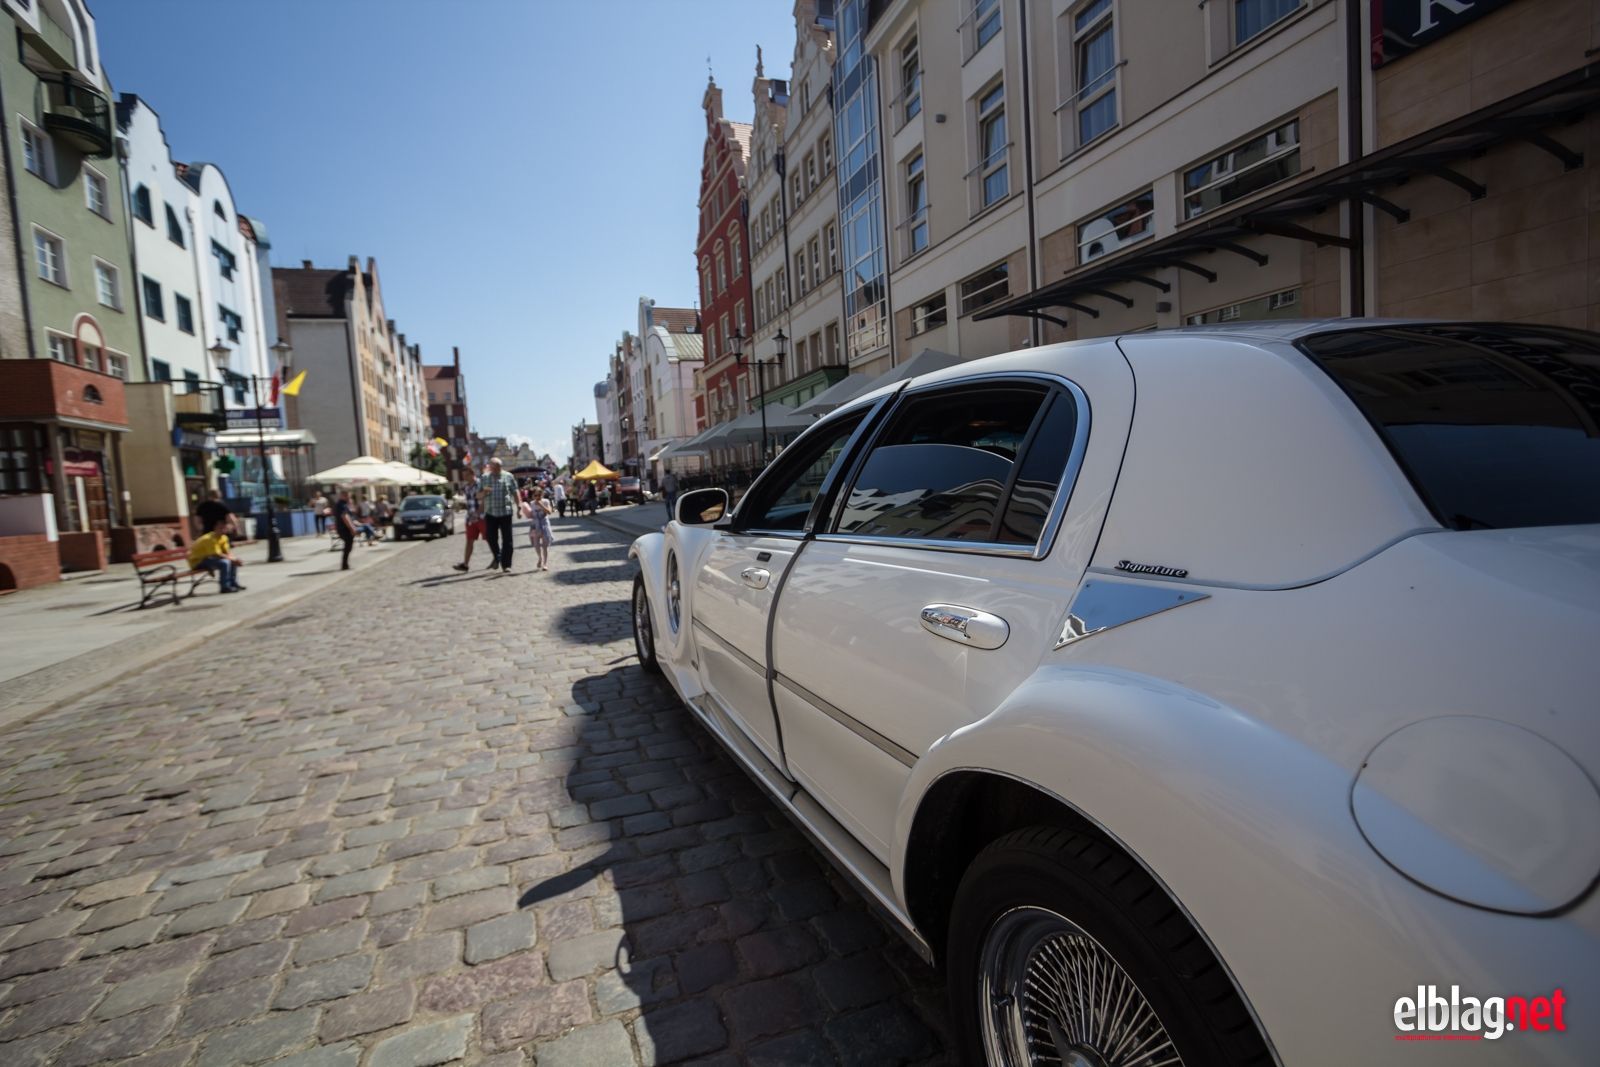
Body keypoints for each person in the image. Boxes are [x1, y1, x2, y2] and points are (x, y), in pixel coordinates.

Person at [477, 457, 519, 571]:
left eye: (498, 467)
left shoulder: (508, 476)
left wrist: (519, 506)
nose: (496, 470)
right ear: (490, 467)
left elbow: (515, 491)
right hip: (490, 512)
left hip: (506, 512)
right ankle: (497, 556)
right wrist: (484, 492)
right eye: (494, 467)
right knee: (490, 537)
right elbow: (478, 495)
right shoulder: (484, 478)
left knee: (507, 539)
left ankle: (506, 565)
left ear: (501, 467)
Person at [188, 516, 245, 593]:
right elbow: (216, 554)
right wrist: (232, 559)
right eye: (220, 528)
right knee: (225, 563)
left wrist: (235, 559)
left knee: (232, 561)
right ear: (215, 528)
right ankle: (225, 587)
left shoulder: (224, 538)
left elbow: (226, 553)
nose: (222, 530)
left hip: (208, 559)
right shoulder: (209, 539)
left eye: (224, 528)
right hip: (197, 562)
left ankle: (233, 583)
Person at [452, 467, 484, 572]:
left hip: (482, 517)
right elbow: (468, 502)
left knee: (490, 539)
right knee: (469, 540)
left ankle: (499, 559)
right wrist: (459, 505)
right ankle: (465, 564)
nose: (464, 477)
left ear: (472, 474)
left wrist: (478, 513)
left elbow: (485, 500)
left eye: (466, 475)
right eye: (463, 475)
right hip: (470, 518)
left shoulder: (480, 484)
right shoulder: (466, 487)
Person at [525, 485, 555, 571]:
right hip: (535, 525)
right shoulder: (531, 503)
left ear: (542, 494)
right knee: (536, 544)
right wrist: (528, 514)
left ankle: (545, 564)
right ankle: (540, 558)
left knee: (545, 546)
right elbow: (531, 515)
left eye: (539, 495)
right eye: (535, 495)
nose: (538, 497)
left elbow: (549, 512)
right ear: (532, 496)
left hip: (544, 525)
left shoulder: (546, 501)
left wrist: (541, 505)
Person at [333, 489, 357, 570]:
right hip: (344, 528)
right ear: (344, 495)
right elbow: (345, 516)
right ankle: (344, 565)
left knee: (348, 546)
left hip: (342, 528)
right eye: (348, 496)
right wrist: (352, 528)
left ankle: (345, 564)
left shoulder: (341, 504)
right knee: (348, 546)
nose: (349, 497)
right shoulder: (342, 505)